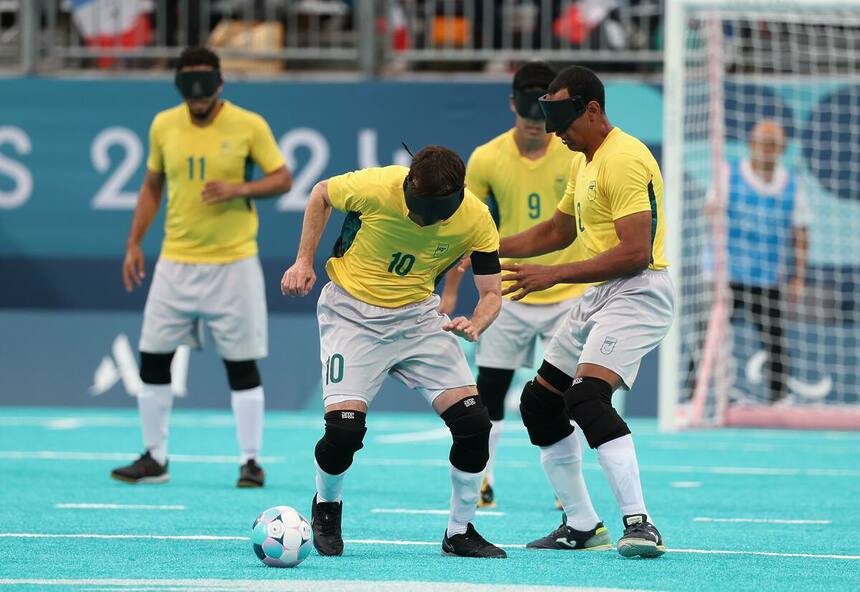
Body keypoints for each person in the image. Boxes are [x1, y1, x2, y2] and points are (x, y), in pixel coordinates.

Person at [280, 146, 506, 559]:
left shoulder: (476, 218)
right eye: (416, 208)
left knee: (475, 423)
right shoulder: (376, 186)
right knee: (344, 432)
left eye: (432, 213)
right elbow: (320, 194)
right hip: (352, 314)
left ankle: (460, 530)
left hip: (419, 318)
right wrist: (303, 261)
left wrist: (477, 321)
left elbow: (492, 292)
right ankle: (327, 506)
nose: (421, 219)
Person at [498, 65, 674, 558]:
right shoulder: (585, 159)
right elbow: (557, 230)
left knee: (587, 398)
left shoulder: (624, 159)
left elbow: (636, 251)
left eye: (564, 126)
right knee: (538, 404)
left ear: (592, 110)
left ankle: (640, 523)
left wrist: (554, 275)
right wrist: (486, 246)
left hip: (639, 289)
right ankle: (581, 523)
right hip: (600, 292)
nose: (557, 137)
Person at [111, 46, 293, 488]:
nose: (197, 93)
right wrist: (134, 241)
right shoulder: (163, 125)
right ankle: (155, 458)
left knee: (241, 363)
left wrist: (239, 188)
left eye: (204, 83)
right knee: (153, 357)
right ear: (179, 85)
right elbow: (152, 185)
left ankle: (250, 461)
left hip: (234, 262)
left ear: (220, 83)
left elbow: (283, 178)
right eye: (188, 83)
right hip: (176, 261)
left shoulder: (249, 124)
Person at [440, 61, 589, 509]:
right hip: (509, 289)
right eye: (527, 118)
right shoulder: (486, 158)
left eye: (542, 119)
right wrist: (449, 292)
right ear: (512, 106)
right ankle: (483, 479)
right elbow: (462, 227)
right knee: (490, 389)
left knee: (567, 395)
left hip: (566, 291)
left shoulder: (575, 152)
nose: (535, 128)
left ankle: (569, 498)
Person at [706, 119, 809, 403]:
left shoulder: (791, 185)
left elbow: (801, 230)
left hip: (766, 276)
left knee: (775, 339)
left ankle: (779, 399)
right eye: (762, 142)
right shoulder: (729, 175)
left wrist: (799, 276)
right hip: (727, 272)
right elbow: (709, 213)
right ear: (751, 145)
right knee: (710, 336)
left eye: (773, 144)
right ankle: (696, 395)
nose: (767, 149)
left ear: (782, 149)